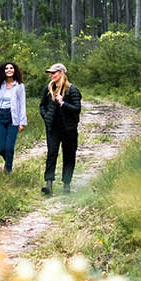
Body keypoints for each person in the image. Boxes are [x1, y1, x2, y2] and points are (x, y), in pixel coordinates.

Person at [38, 62, 82, 195]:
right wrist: (46, 118)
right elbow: (42, 106)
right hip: (53, 129)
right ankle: (49, 184)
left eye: (54, 72)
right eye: (50, 73)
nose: (51, 75)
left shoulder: (71, 89)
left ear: (61, 73)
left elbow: (77, 109)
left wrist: (63, 103)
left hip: (69, 129)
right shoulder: (48, 89)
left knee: (69, 156)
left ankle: (66, 184)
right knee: (51, 154)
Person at [0, 61, 27, 173]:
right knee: (0, 147)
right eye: (6, 68)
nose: (9, 70)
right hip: (0, 117)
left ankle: (8, 169)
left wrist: (22, 122)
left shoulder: (19, 86)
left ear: (15, 71)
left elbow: (22, 104)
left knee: (9, 147)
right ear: (3, 71)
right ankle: (8, 161)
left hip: (13, 118)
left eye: (11, 68)